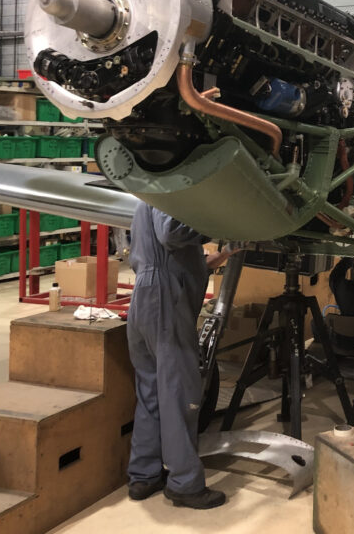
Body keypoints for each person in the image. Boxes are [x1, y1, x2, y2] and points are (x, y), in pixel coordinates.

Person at [125, 202, 232, 509]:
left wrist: (223, 254)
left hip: (145, 297)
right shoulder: (171, 188)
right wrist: (222, 223)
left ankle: (143, 476)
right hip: (164, 301)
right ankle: (184, 483)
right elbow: (171, 232)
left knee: (151, 392)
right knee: (180, 393)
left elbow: (172, 256)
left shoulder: (147, 194)